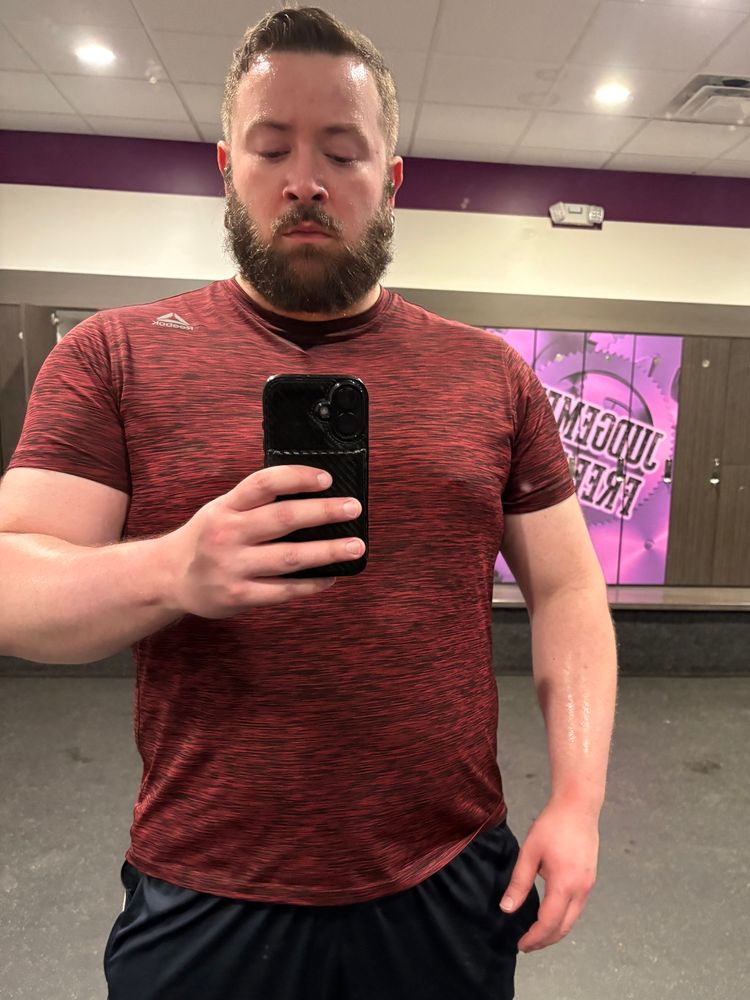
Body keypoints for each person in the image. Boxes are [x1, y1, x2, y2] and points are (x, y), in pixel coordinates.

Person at [0, 6, 617, 999]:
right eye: (272, 145)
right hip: (205, 890)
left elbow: (569, 589)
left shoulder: (492, 375)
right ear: (225, 163)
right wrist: (175, 567)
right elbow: (11, 579)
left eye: (342, 148)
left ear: (392, 176)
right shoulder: (111, 357)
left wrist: (580, 799)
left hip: (447, 879)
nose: (305, 180)